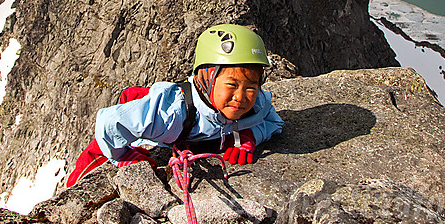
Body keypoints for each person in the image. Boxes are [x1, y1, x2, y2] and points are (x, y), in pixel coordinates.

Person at [66, 23, 283, 187]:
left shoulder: (255, 103)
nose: (240, 97)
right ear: (208, 78)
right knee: (89, 168)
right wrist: (122, 155)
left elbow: (273, 120)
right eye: (232, 85)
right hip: (139, 108)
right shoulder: (170, 114)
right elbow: (110, 124)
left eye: (251, 88)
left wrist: (249, 136)